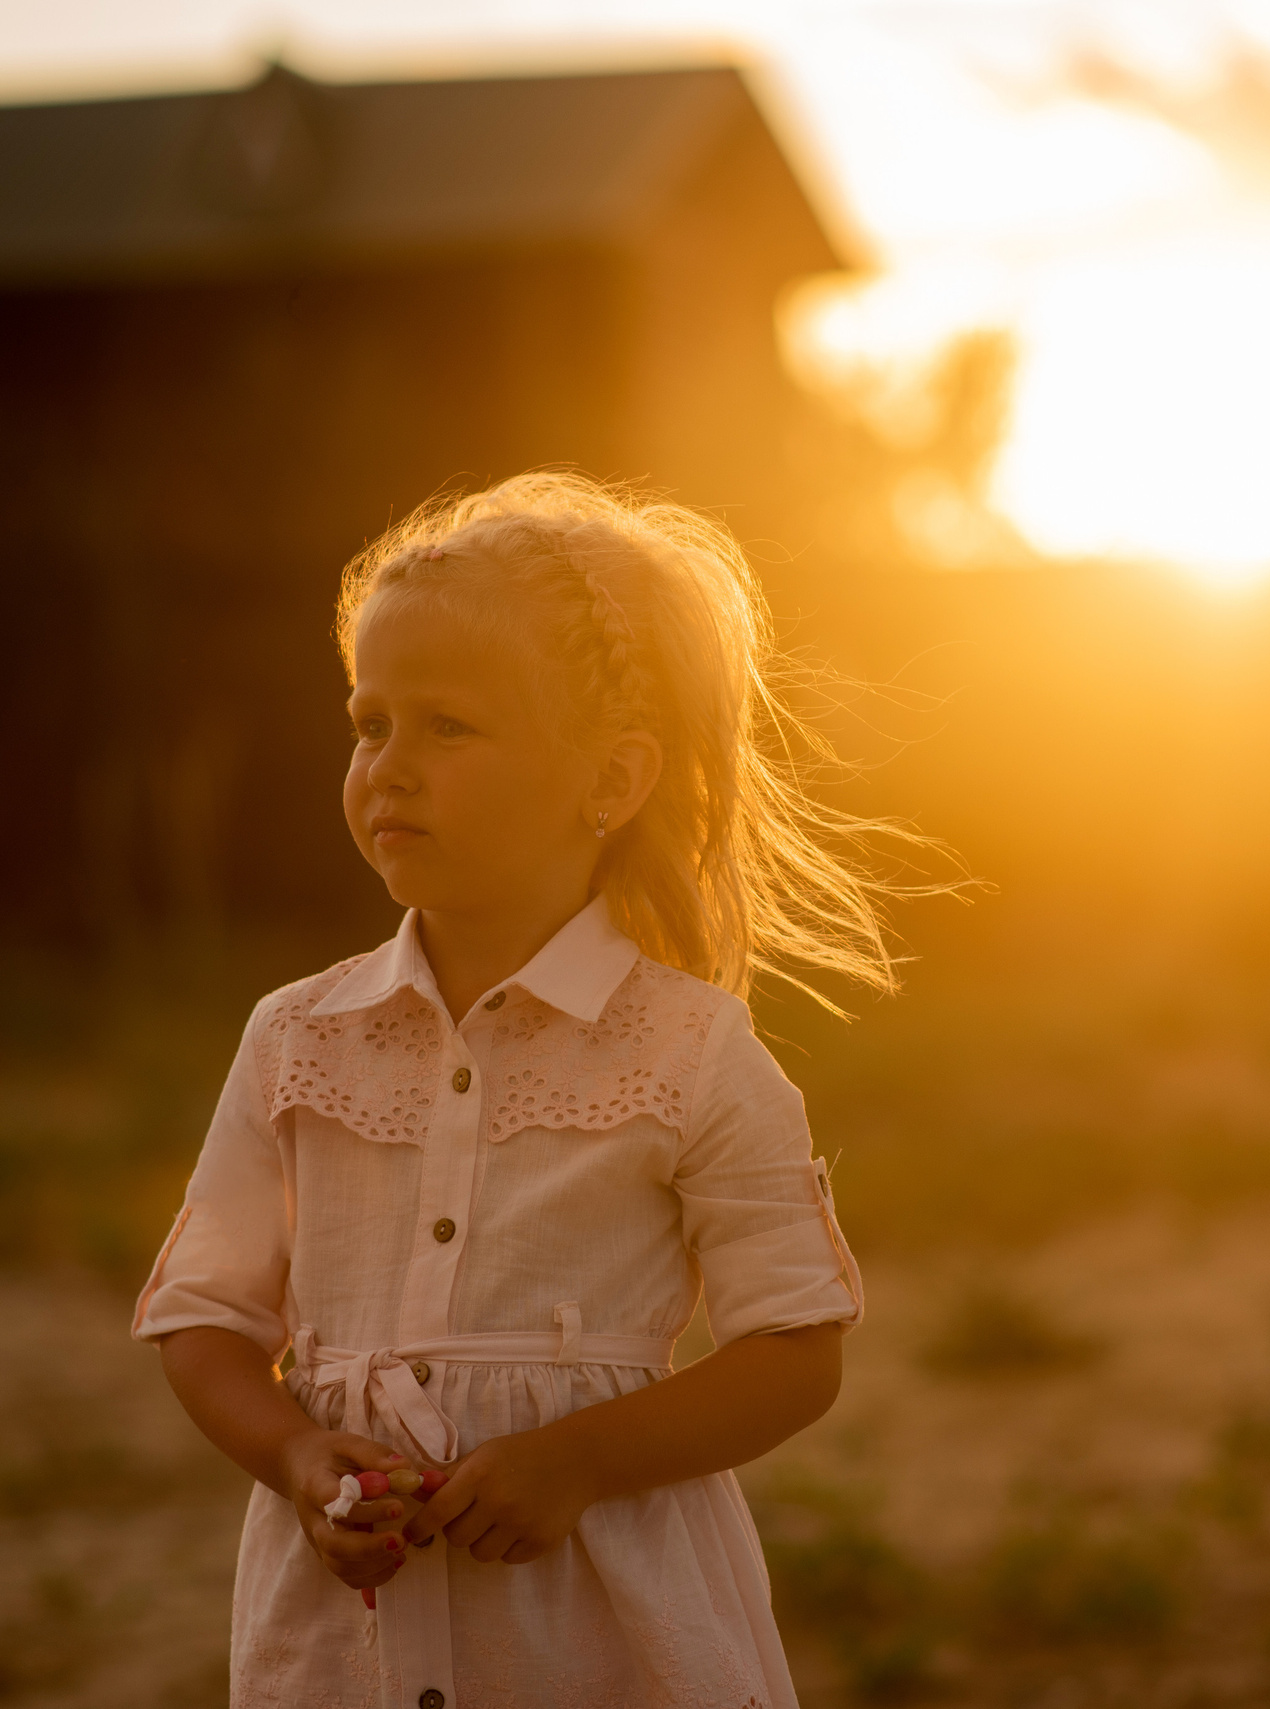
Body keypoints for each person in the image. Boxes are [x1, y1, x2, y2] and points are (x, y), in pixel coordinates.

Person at [133, 472, 932, 1709]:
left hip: (601, 1638)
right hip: (350, 1643)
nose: (390, 767)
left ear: (609, 780)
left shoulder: (692, 1048)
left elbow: (794, 1346)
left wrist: (578, 1459)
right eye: (370, 722)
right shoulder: (294, 1038)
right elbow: (202, 1317)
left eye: (448, 727)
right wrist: (294, 1455)